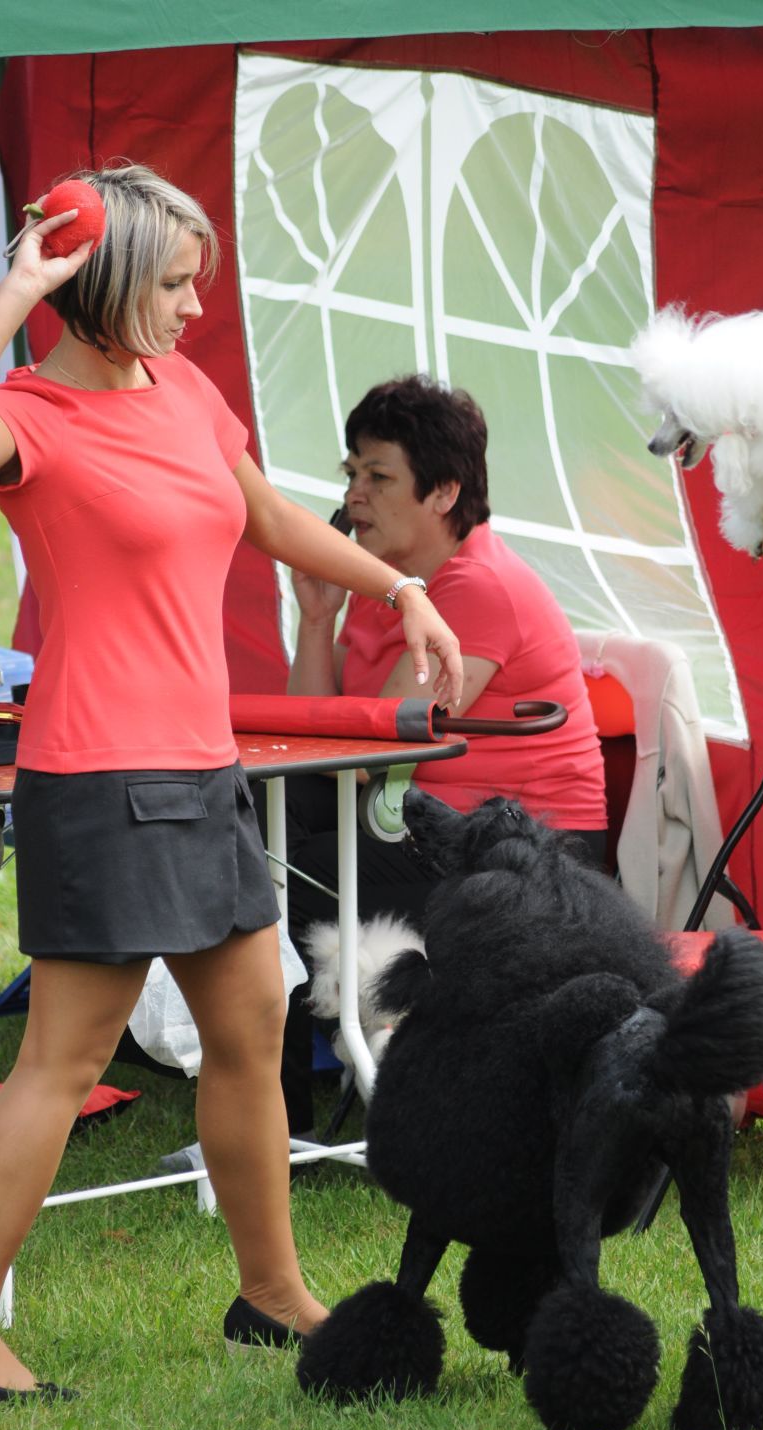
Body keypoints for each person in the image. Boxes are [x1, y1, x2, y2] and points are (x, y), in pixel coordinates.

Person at [0, 164, 463, 1398]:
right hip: (99, 775)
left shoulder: (186, 391)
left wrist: (401, 587)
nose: (195, 307)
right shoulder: (34, 415)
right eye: (170, 283)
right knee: (60, 1056)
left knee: (253, 1025)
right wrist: (14, 295)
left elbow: (261, 516)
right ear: (93, 282)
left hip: (201, 768)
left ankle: (270, 1294)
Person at [279, 374, 607, 1134]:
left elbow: (360, 753)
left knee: (270, 870)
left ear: (444, 492)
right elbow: (311, 737)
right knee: (266, 839)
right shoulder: (389, 584)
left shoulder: (476, 588)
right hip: (422, 830)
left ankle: (277, 1120)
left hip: (521, 863)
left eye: (379, 476)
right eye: (350, 472)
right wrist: (316, 619)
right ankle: (271, 1109)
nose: (355, 494)